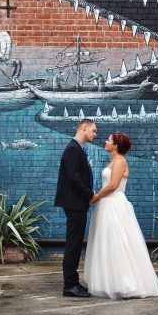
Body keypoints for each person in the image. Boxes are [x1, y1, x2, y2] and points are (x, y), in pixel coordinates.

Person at [84, 132, 158, 299]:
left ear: (115, 146)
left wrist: (96, 196)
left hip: (114, 204)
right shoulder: (114, 160)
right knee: (107, 242)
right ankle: (110, 281)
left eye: (109, 140)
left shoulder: (119, 161)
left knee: (118, 242)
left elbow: (113, 185)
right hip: (107, 204)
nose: (105, 141)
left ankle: (124, 283)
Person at [55, 118, 98, 297]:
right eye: (94, 130)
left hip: (76, 203)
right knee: (73, 244)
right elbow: (73, 177)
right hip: (74, 203)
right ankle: (70, 285)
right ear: (84, 128)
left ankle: (73, 282)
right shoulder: (73, 149)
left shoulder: (78, 148)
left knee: (75, 243)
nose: (95, 134)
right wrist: (90, 195)